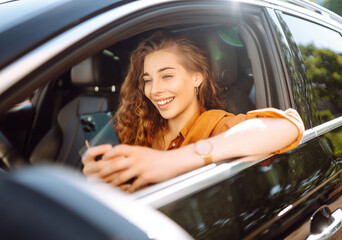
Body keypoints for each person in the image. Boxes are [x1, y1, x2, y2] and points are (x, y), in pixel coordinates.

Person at [82, 31, 305, 192]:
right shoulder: (138, 127)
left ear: (197, 77)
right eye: (147, 80)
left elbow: (289, 127)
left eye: (167, 76)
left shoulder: (214, 124)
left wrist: (171, 162)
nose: (155, 90)